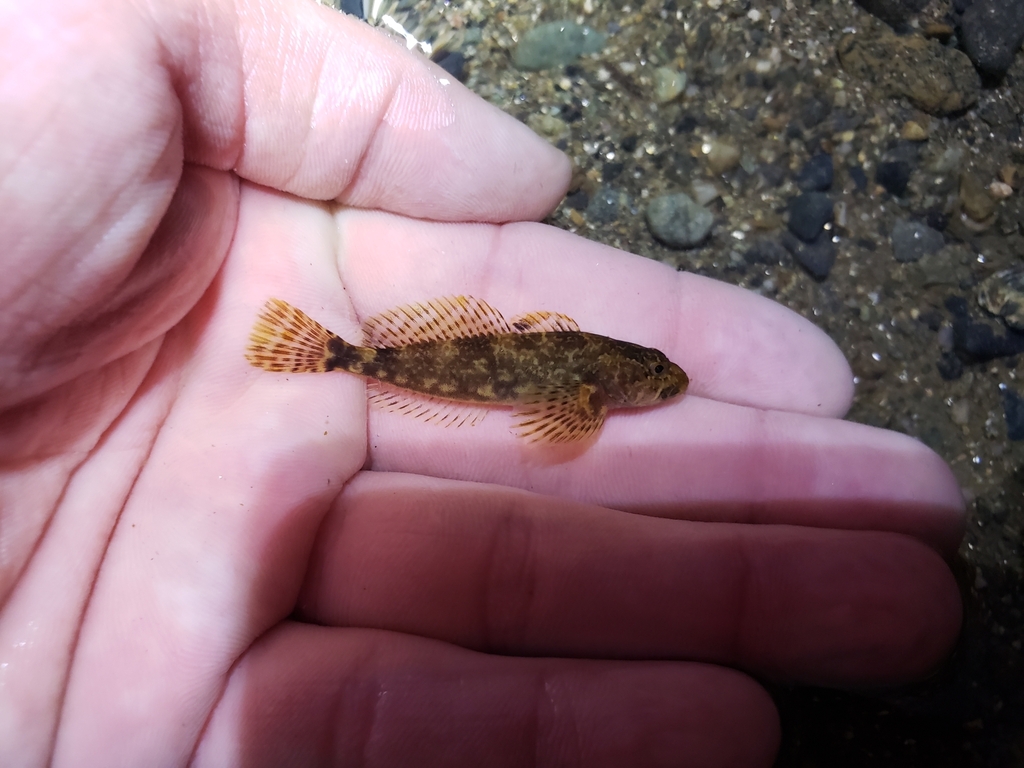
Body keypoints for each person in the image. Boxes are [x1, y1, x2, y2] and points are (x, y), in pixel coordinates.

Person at [0, 0, 964, 765]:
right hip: (425, 357)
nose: (661, 388)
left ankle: (332, 353)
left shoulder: (593, 373)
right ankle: (328, 352)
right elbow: (555, 426)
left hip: (429, 356)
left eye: (662, 384)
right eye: (657, 383)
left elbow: (549, 408)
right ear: (616, 384)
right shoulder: (587, 387)